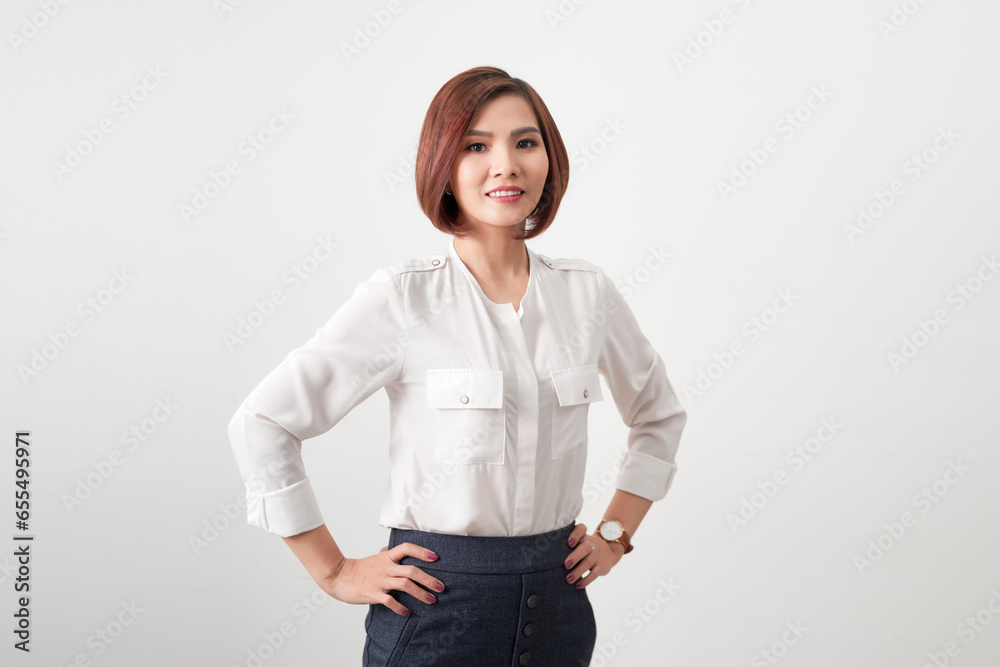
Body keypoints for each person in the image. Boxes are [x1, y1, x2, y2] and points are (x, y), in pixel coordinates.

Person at [227, 65, 687, 666]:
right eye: (476, 146)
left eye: (525, 142)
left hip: (559, 609)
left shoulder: (587, 294)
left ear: (549, 158)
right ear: (442, 164)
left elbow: (659, 416)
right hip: (436, 609)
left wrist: (614, 537)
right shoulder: (403, 298)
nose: (505, 165)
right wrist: (334, 571)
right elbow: (263, 421)